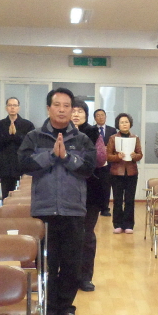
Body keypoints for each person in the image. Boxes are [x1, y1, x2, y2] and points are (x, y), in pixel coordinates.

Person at [18, 88, 96, 315]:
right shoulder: (34, 137)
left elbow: (88, 168)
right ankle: (50, 307)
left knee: (72, 263)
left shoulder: (82, 139)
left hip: (73, 209)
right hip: (44, 210)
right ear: (48, 108)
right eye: (57, 105)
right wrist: (51, 156)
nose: (62, 110)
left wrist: (67, 158)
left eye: (66, 106)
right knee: (47, 262)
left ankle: (66, 307)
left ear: (72, 110)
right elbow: (23, 164)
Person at [71, 98, 107, 292]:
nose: (76, 114)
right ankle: (68, 276)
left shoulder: (93, 132)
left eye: (80, 111)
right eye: (73, 110)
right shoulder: (59, 132)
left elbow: (100, 159)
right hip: (67, 190)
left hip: (90, 190)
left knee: (87, 235)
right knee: (69, 236)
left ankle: (85, 277)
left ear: (86, 115)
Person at [107, 112, 143, 234]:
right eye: (122, 122)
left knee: (129, 199)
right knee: (117, 199)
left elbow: (140, 154)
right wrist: (117, 157)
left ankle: (129, 225)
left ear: (130, 124)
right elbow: (108, 156)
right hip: (116, 173)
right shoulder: (113, 138)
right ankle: (117, 224)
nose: (124, 124)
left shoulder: (135, 138)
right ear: (118, 124)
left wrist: (134, 156)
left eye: (126, 122)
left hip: (132, 173)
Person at [0, 97, 34, 197]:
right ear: (6, 108)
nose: (12, 108)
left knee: (22, 196)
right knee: (6, 195)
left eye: (14, 105)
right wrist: (8, 135)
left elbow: (31, 144)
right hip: (5, 165)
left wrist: (16, 135)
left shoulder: (28, 125)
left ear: (19, 108)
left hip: (22, 165)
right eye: (10, 105)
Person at [95, 109, 116, 216]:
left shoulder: (112, 130)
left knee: (106, 185)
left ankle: (105, 208)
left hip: (108, 163)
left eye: (102, 115)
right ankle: (95, 208)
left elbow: (115, 145)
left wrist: (108, 149)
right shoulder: (91, 130)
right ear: (95, 118)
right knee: (95, 186)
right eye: (98, 115)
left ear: (106, 117)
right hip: (95, 163)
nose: (100, 117)